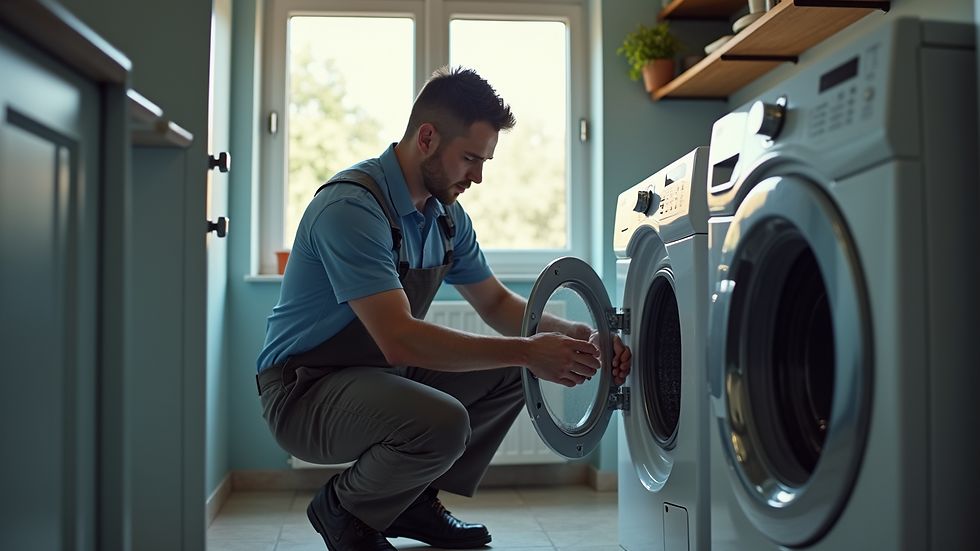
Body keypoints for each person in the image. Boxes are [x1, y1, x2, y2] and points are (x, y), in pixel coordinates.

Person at [255, 66, 632, 551]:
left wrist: (583, 335)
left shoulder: (447, 219)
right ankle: (344, 510)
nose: (478, 176)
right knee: (448, 418)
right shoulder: (351, 209)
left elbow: (496, 303)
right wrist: (527, 351)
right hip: (303, 391)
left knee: (510, 371)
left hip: (376, 377)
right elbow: (398, 338)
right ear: (427, 138)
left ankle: (410, 501)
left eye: (485, 161)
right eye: (471, 159)